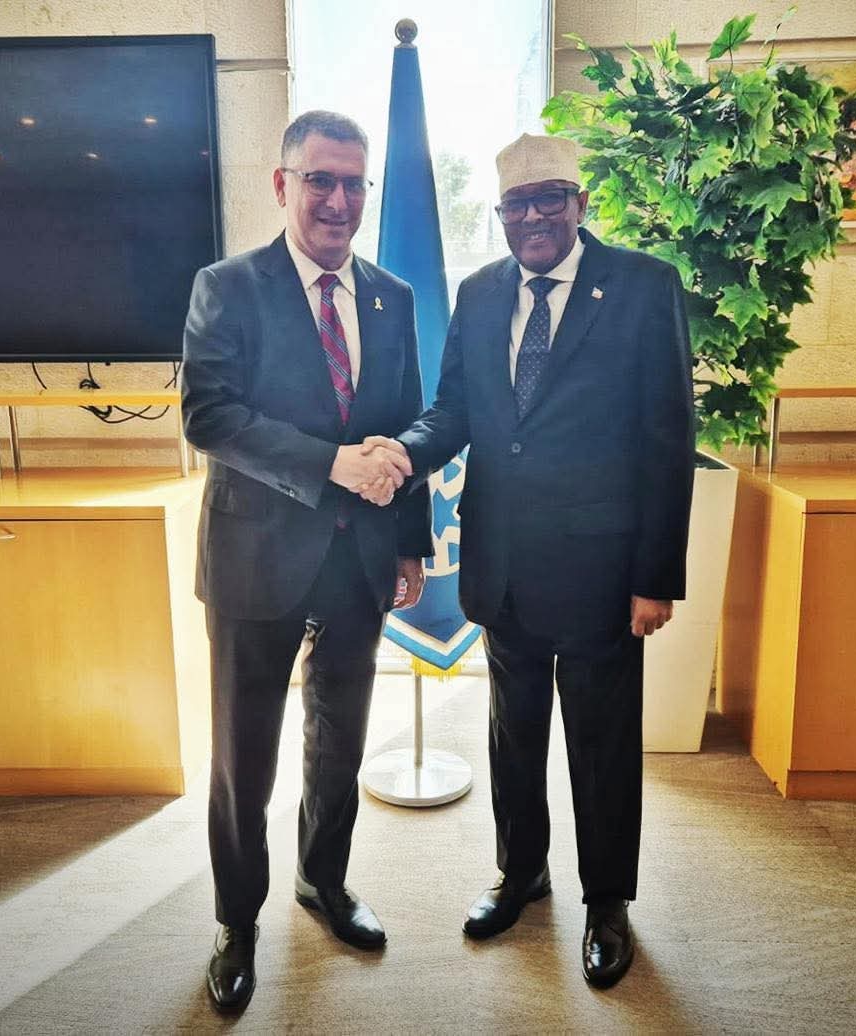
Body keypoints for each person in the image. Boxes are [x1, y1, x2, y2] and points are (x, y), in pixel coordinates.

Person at [366, 132, 694, 989]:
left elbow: (667, 438)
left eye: (551, 198)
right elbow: (454, 411)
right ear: (501, 213)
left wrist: (655, 576)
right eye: (518, 203)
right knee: (513, 736)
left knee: (600, 743)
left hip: (601, 571)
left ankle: (607, 902)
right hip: (502, 562)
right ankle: (521, 874)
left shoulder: (642, 285)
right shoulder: (480, 292)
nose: (535, 216)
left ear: (581, 204)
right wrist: (401, 453)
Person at [180, 109, 431, 1015]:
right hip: (255, 556)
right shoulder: (226, 286)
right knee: (244, 755)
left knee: (340, 737)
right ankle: (236, 921)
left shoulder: (392, 296)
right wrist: (330, 464)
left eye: (354, 182)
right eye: (320, 179)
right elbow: (209, 416)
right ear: (283, 183)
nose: (338, 199)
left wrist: (410, 541)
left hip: (359, 556)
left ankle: (323, 881)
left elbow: (403, 423)